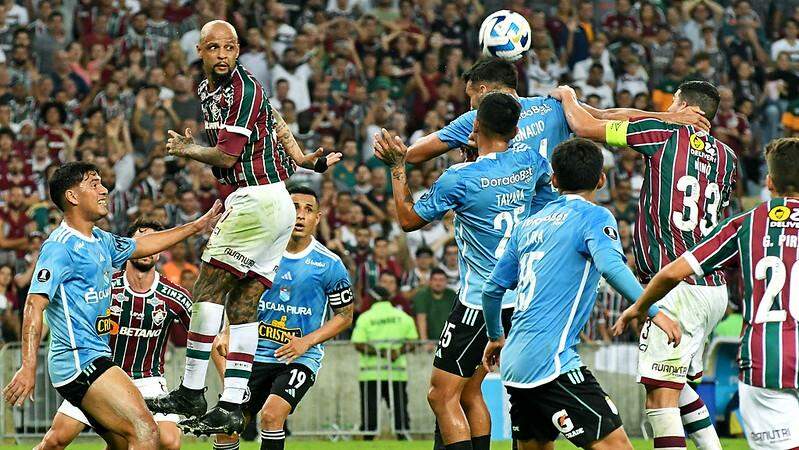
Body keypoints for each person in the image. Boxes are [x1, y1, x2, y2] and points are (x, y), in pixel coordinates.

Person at [146, 20, 341, 435]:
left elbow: (227, 157)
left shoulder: (242, 89)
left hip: (255, 199)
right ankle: (234, 402)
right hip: (277, 204)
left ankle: (192, 390)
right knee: (243, 306)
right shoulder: (209, 90)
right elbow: (277, 121)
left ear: (238, 52)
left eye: (229, 48)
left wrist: (187, 149)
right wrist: (304, 159)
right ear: (200, 50)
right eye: (213, 47)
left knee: (208, 290)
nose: (221, 55)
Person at [552, 80, 734, 450]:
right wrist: (656, 115)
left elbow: (585, 127)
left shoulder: (664, 134)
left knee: (661, 402)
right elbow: (613, 116)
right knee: (679, 385)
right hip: (712, 285)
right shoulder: (727, 156)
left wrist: (568, 96)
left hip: (674, 284)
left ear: (679, 103)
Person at [374, 91, 551, 450]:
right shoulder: (532, 161)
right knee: (470, 393)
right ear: (516, 130)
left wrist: (397, 168)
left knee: (441, 396)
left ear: (476, 126)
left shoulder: (461, 177)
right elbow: (547, 194)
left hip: (478, 303)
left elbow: (409, 220)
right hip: (522, 300)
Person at [2, 162, 221, 450]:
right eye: (93, 183)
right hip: (80, 360)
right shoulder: (60, 247)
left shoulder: (101, 240)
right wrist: (27, 366)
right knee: (146, 433)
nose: (104, 189)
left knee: (125, 441)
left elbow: (143, 245)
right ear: (72, 196)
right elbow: (33, 304)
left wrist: (195, 226)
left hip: (95, 359)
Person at [481, 137, 680, 450]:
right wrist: (653, 311)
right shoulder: (594, 217)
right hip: (551, 362)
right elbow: (612, 267)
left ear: (555, 180)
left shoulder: (529, 224)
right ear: (601, 179)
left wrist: (495, 335)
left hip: (514, 361)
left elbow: (492, 290)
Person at [613, 137, 799, 450]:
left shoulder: (745, 224)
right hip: (725, 313)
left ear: (769, 181)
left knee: (663, 392)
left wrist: (641, 306)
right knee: (675, 384)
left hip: (768, 362)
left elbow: (672, 272)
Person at [210, 185, 354, 450]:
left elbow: (345, 316)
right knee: (227, 427)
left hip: (297, 358)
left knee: (271, 415)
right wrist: (228, 330)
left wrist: (307, 342)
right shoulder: (258, 253)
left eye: (308, 210)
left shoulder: (329, 263)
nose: (300, 215)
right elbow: (239, 298)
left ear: (317, 218)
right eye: (294, 207)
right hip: (253, 355)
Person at [36, 218, 192, 450]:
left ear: (160, 250)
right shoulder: (105, 286)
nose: (148, 249)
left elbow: (201, 336)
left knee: (169, 442)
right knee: (55, 441)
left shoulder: (175, 296)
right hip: (101, 376)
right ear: (128, 246)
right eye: (142, 241)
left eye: (154, 242)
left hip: (148, 379)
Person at [402, 57, 710, 167]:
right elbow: (607, 116)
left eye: (471, 96)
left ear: (484, 90)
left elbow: (413, 154)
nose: (469, 104)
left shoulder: (475, 119)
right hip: (551, 224)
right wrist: (668, 118)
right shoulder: (555, 106)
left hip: (503, 227)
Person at [352, 285, 418, 440]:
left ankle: (368, 439)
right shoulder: (403, 317)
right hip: (397, 373)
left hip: (370, 373)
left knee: (370, 413)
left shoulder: (366, 318)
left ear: (373, 298)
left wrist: (380, 352)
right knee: (399, 410)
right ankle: (403, 437)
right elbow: (412, 342)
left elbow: (359, 343)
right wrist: (396, 352)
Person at [413, 268, 457, 342]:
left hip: (448, 341)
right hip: (429, 342)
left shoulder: (452, 295)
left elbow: (457, 319)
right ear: (430, 281)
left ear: (446, 282)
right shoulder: (422, 295)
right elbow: (421, 319)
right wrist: (425, 342)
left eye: (441, 280)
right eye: (435, 280)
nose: (438, 283)